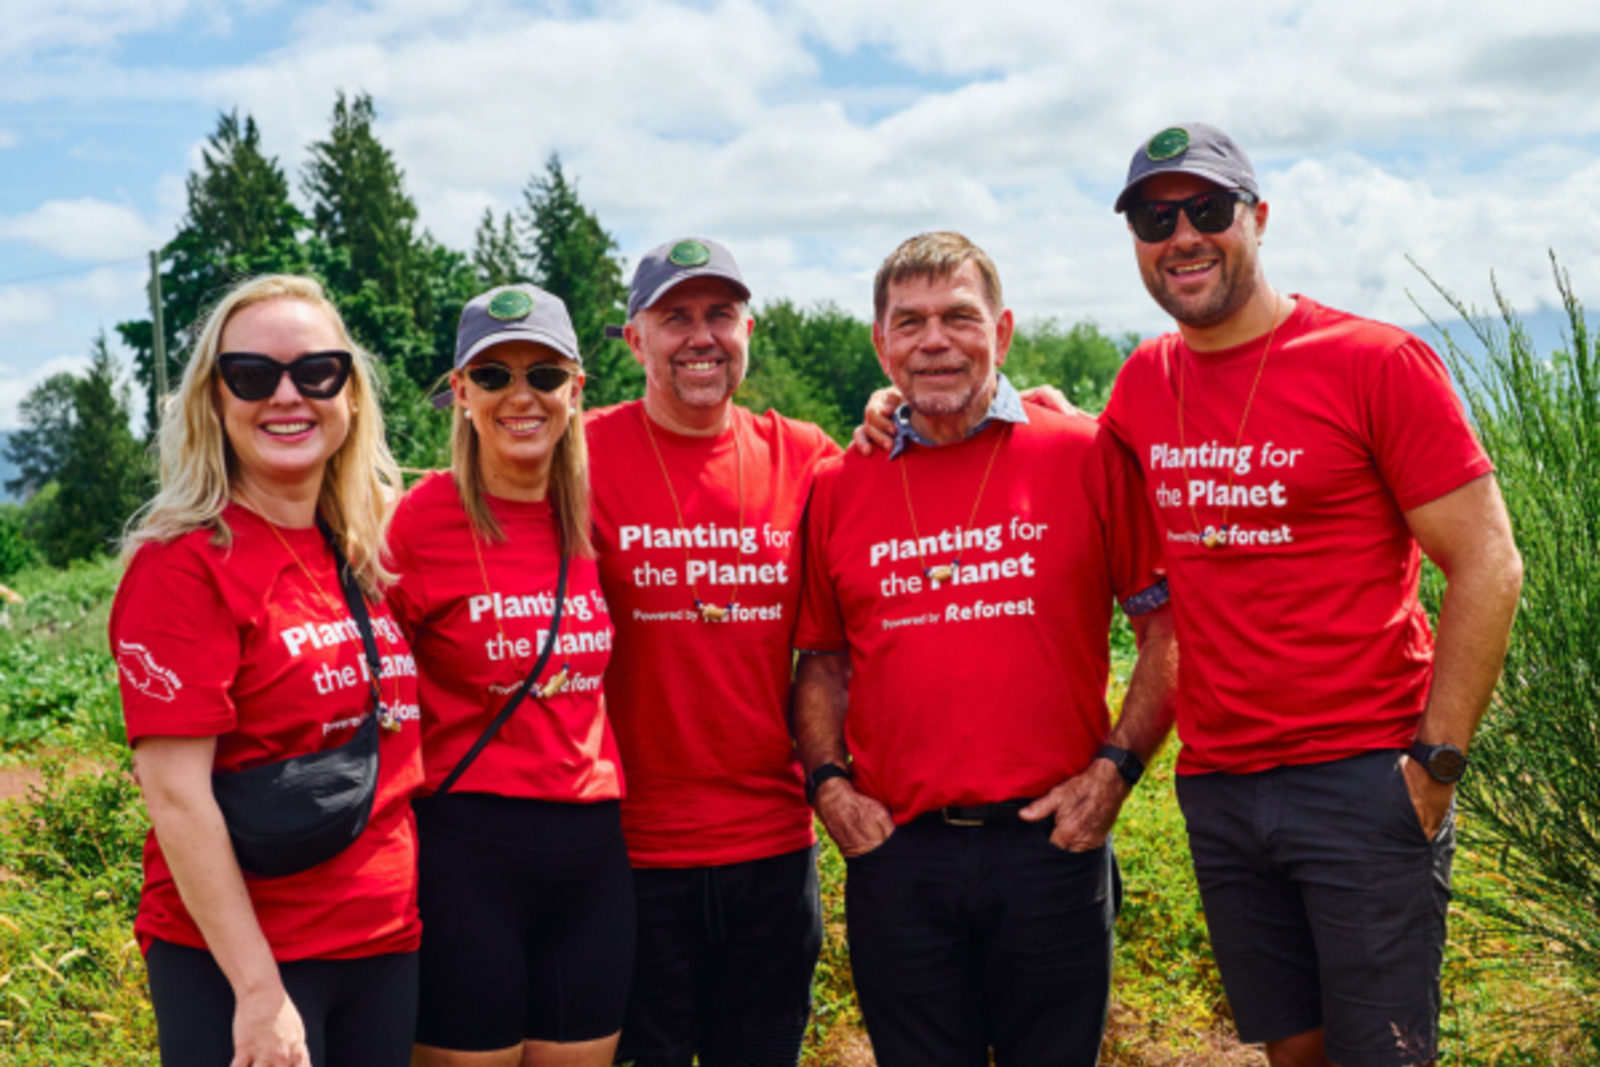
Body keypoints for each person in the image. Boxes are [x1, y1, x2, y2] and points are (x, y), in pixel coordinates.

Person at [1100, 122, 1523, 1067]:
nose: (1182, 237)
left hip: (1362, 775)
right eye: (1154, 217)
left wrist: (1434, 768)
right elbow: (1065, 448)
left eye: (1207, 210)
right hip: (1220, 787)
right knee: (1293, 1050)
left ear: (1258, 217)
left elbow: (1490, 563)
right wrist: (913, 408)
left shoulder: (1373, 362)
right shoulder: (1142, 381)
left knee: (1385, 1054)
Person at [791, 231, 1178, 1067]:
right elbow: (822, 659)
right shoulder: (837, 483)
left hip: (1050, 845)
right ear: (880, 342)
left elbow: (1167, 628)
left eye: (959, 317)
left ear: (1001, 333)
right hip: (899, 853)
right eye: (911, 322)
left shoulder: (1082, 452)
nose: (935, 340)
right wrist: (827, 785)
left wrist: (1115, 772)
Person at [112, 274, 423, 1067]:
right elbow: (177, 797)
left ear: (350, 394)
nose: (287, 395)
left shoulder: (359, 550)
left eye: (316, 371)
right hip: (247, 965)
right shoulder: (184, 565)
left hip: (382, 943)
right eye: (251, 375)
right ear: (214, 401)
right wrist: (257, 989)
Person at [584, 238, 838, 1067]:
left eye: (720, 315)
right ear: (634, 339)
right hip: (631, 850)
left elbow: (920, 462)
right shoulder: (578, 456)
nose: (702, 336)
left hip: (772, 841)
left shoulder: (805, 457)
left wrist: (1033, 403)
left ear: (748, 329)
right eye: (676, 317)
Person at [386, 284, 630, 1067]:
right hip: (466, 853)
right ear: (459, 392)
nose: (520, 395)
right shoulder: (415, 522)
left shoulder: (597, 513)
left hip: (591, 856)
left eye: (544, 374)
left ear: (576, 389)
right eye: (493, 376)